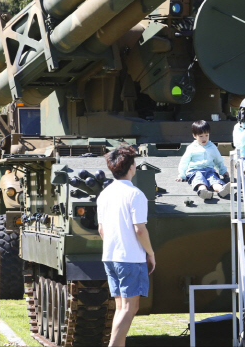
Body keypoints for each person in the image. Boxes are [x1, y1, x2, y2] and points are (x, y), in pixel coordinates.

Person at [98, 146, 156, 347]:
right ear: (132, 167)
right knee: (130, 308)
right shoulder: (135, 194)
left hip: (111, 257)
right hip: (130, 258)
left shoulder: (104, 194)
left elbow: (101, 230)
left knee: (121, 307)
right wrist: (150, 253)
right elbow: (140, 230)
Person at [176, 120, 231, 200]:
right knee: (199, 179)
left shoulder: (212, 147)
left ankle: (221, 190)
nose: (204, 138)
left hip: (209, 170)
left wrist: (223, 171)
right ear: (194, 135)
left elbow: (218, 160)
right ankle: (203, 191)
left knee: (214, 179)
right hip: (195, 171)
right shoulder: (191, 147)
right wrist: (182, 175)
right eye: (201, 136)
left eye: (206, 135)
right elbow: (185, 161)